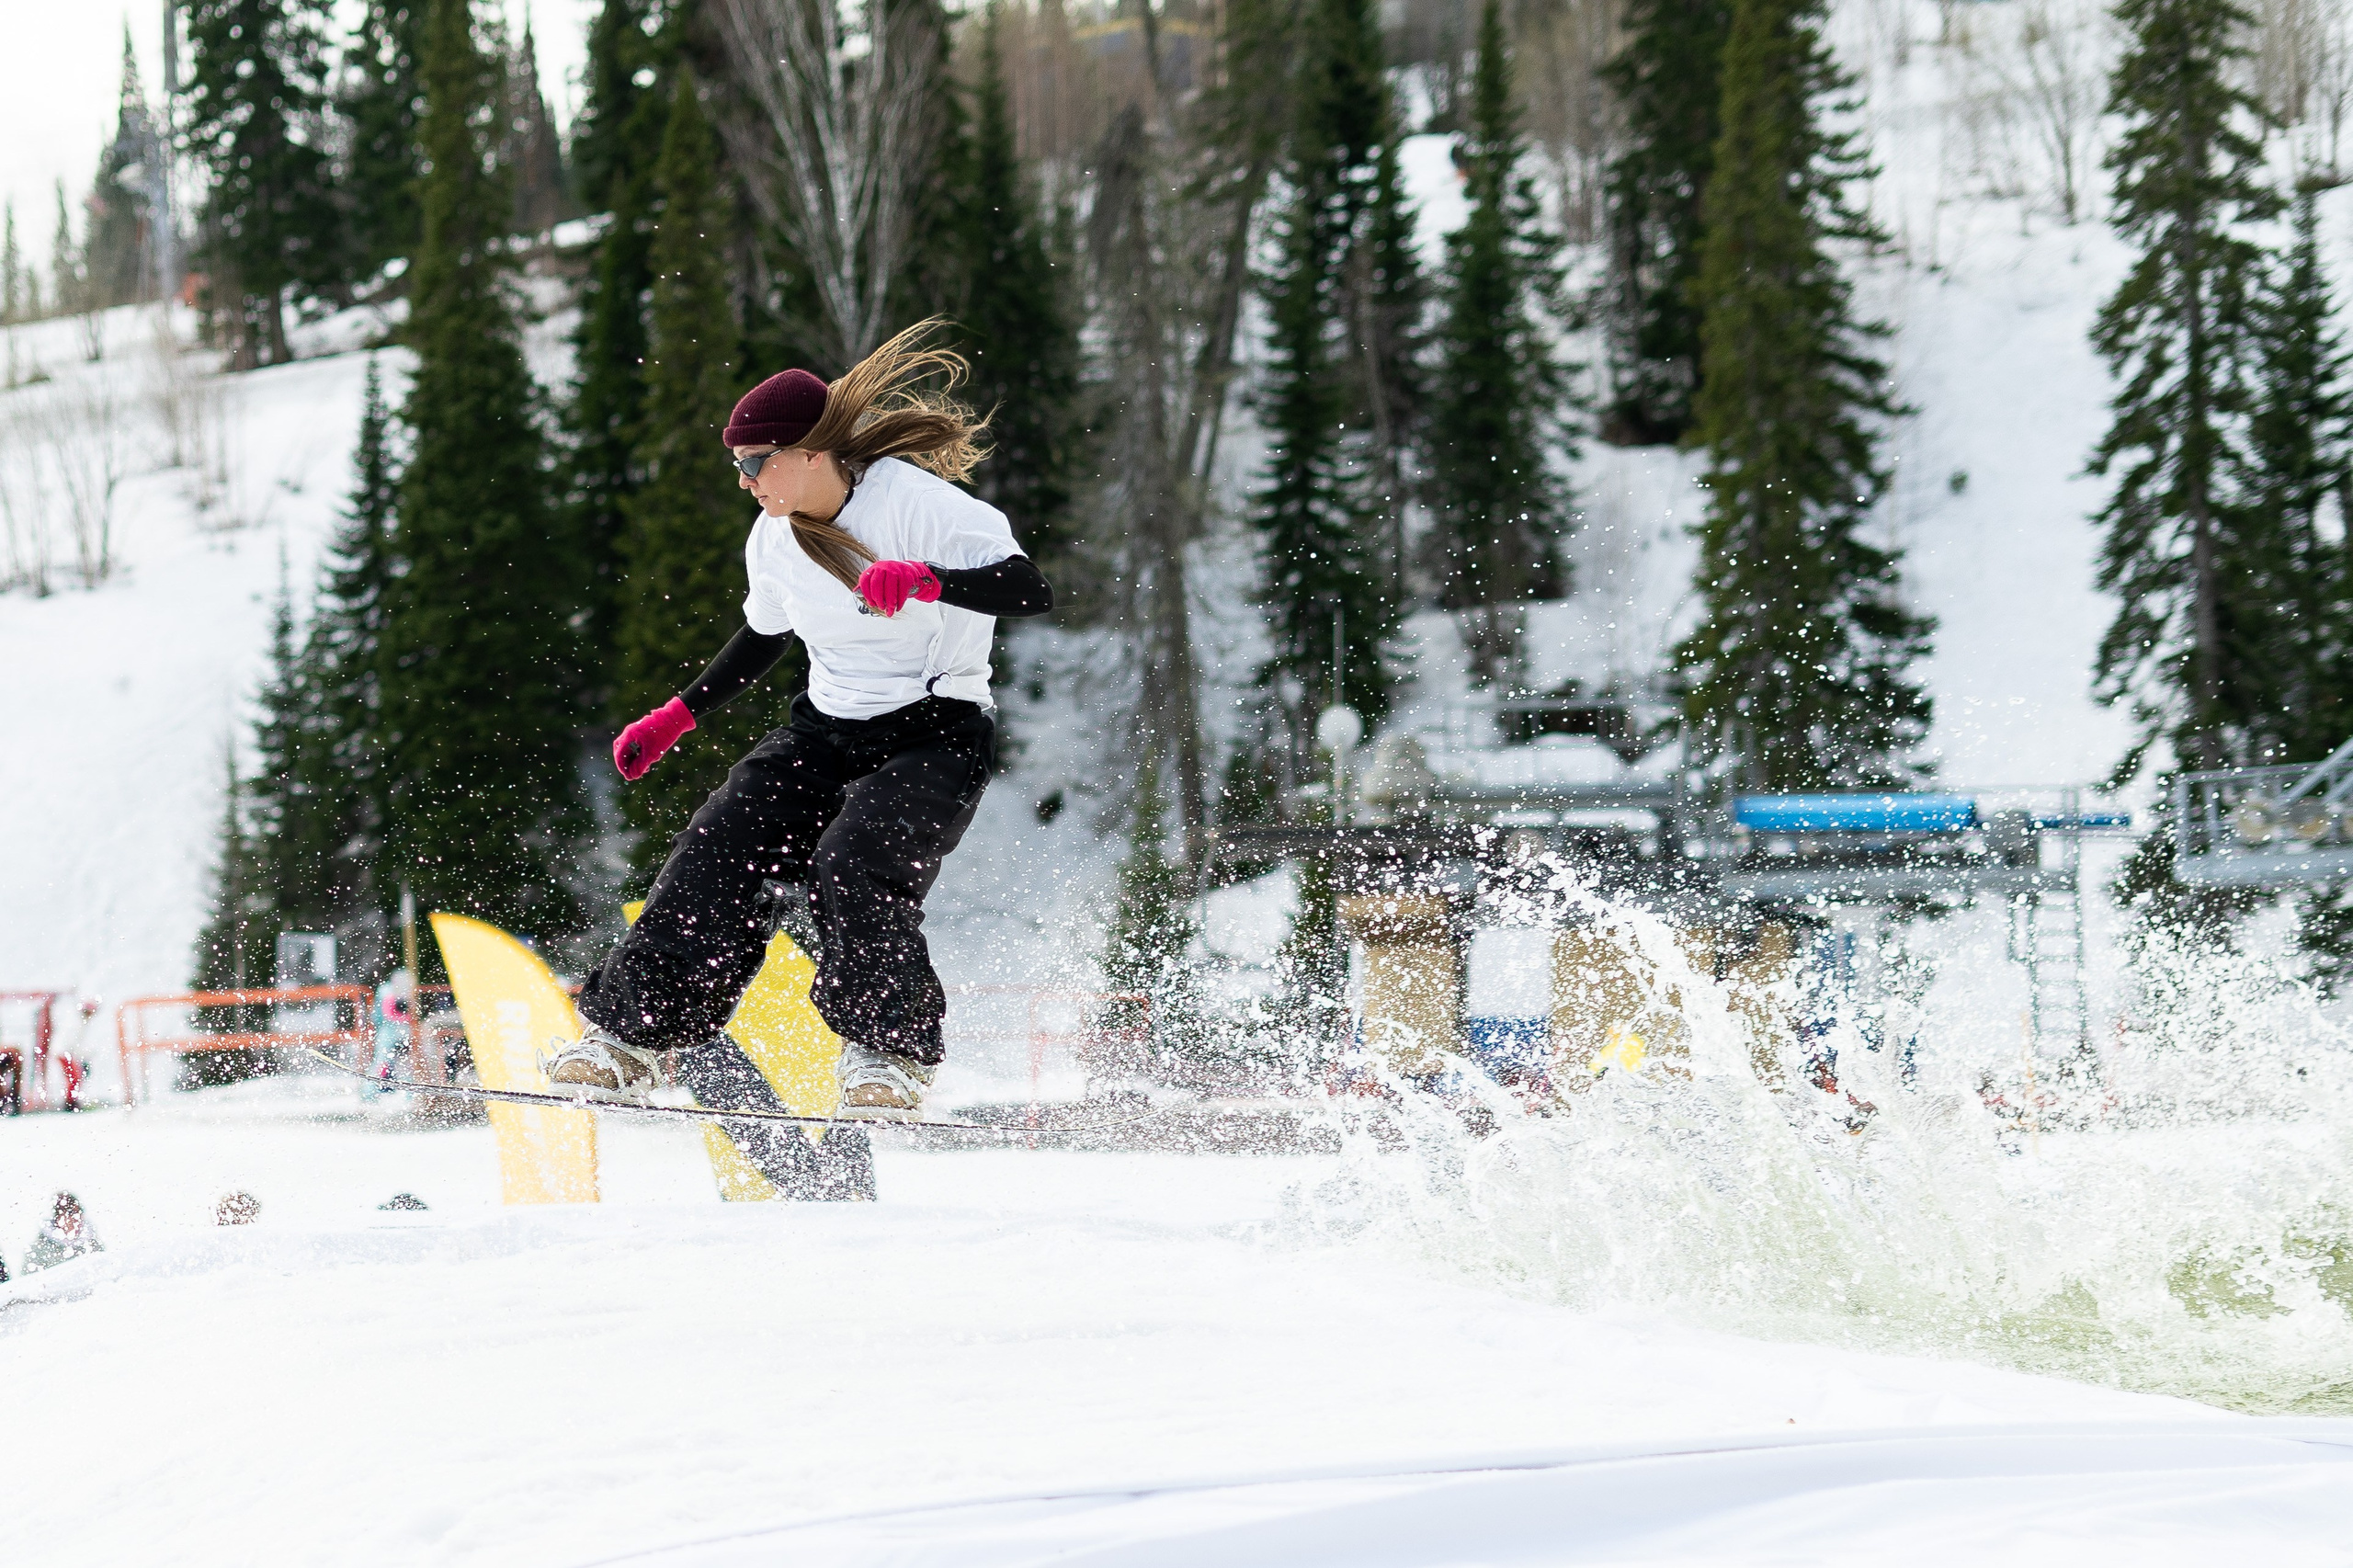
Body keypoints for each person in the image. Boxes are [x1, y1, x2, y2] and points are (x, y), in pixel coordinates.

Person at [551, 321, 1053, 1118]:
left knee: (854, 863)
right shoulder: (774, 540)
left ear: (808, 455)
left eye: (754, 464)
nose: (745, 481)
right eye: (739, 467)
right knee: (718, 847)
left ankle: (890, 1056)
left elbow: (1029, 589)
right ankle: (634, 1038)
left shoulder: (924, 509)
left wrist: (928, 581)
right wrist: (680, 713)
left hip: (937, 729)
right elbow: (763, 636)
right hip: (826, 728)